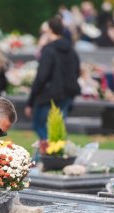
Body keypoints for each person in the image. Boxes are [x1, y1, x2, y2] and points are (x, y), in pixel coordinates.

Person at [25, 17, 80, 155]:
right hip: (66, 94)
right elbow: (76, 71)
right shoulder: (71, 50)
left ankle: (48, 156)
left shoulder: (49, 50)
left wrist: (31, 101)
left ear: (49, 29)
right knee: (58, 129)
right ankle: (56, 156)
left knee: (40, 126)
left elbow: (41, 77)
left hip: (48, 96)